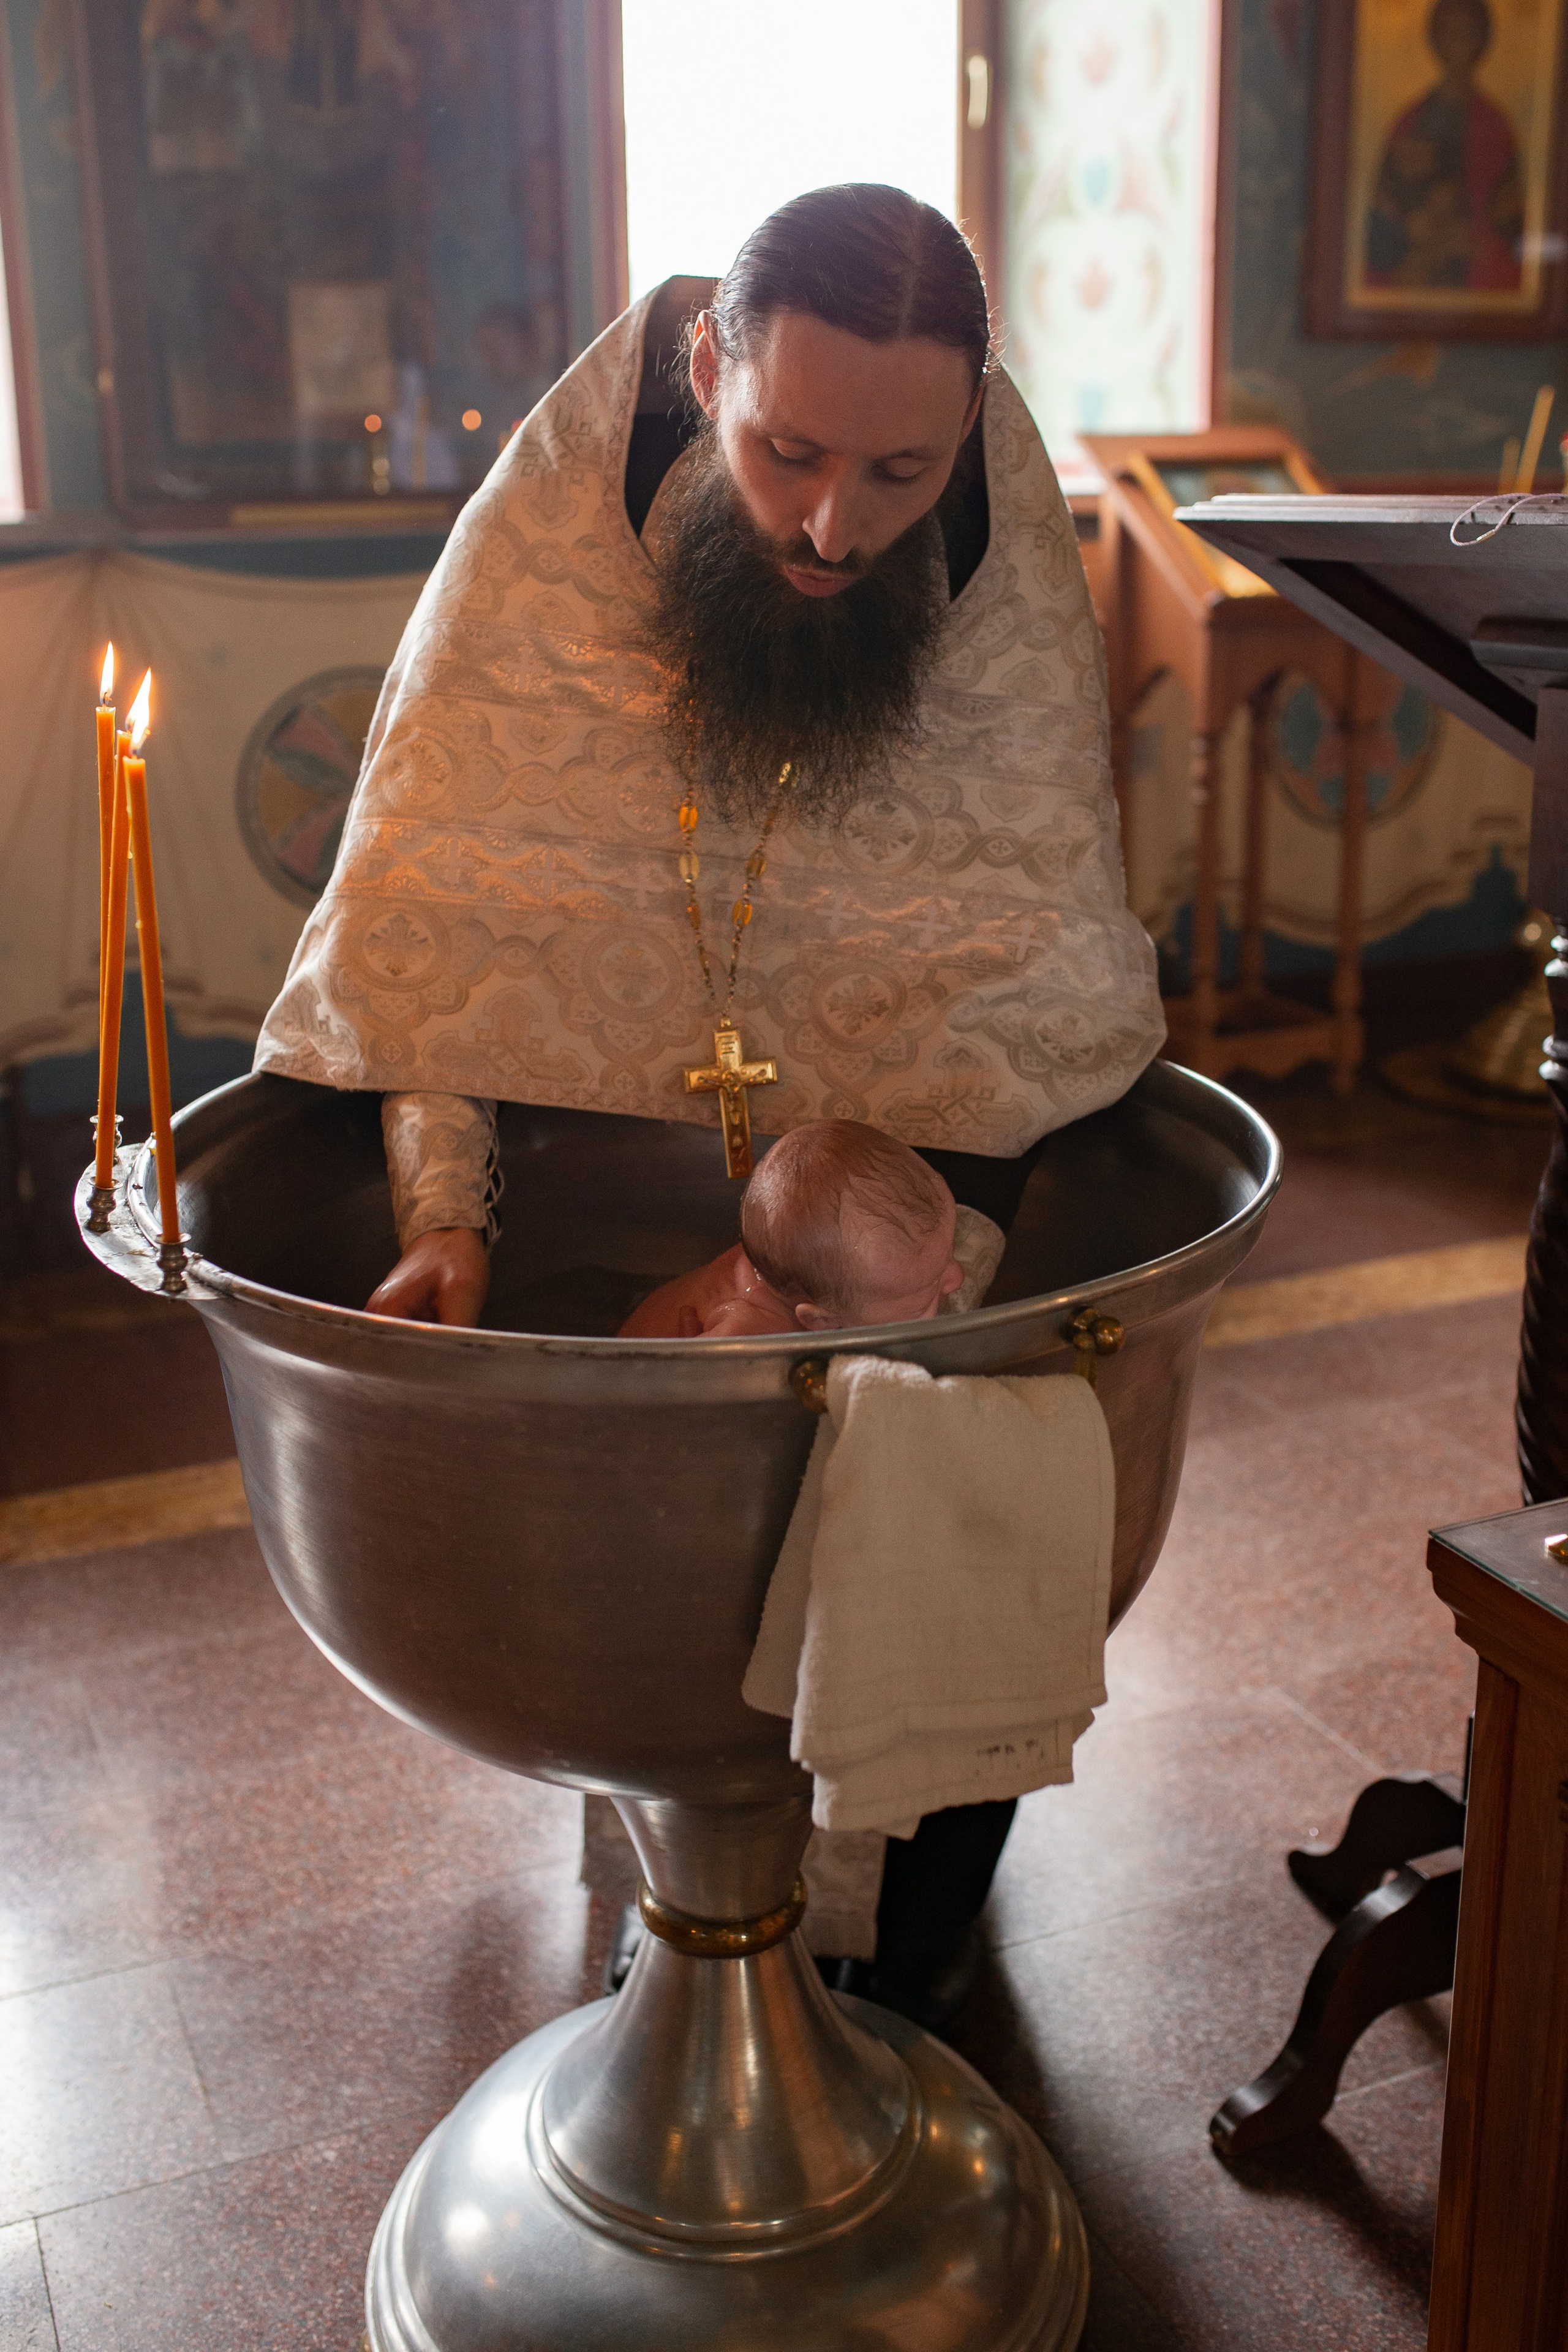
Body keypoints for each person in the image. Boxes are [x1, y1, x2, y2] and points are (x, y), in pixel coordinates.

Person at [255, 183, 1164, 2019]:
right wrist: (445, 1207)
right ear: (705, 367)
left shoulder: (989, 547)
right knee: (663, 1624)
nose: (838, 525)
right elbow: (454, 903)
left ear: (968, 421)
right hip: (627, 1242)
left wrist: (907, 1296)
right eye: (790, 451)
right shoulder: (557, 525)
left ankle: (891, 1923)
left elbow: (1015, 968)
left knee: (914, 1669)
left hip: (911, 1233)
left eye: (902, 470)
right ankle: (681, 1896)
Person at [620, 1119, 998, 1338]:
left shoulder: (791, 1262)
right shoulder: (753, 1332)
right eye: (926, 1290)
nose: (957, 1277)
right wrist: (694, 1370)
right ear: (822, 1322)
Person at [1365, 0, 1523, 294]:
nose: (1456, 46)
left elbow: (1517, 230)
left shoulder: (1496, 126)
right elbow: (1381, 221)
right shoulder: (1410, 122)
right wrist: (1414, 237)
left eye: (1466, 34)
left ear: (1482, 41)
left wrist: (1476, 243)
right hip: (1415, 275)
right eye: (1448, 34)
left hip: (1476, 284)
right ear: (1434, 41)